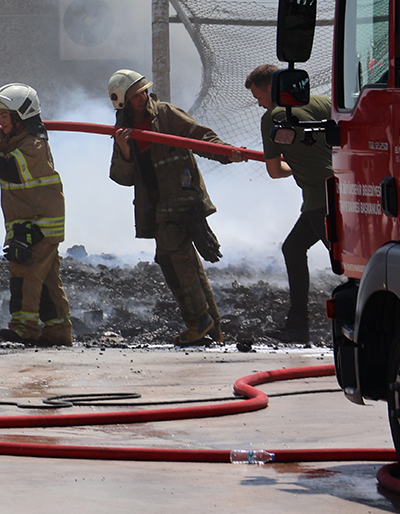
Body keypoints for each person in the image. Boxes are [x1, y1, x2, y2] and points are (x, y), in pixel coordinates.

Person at [108, 69, 242, 347]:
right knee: (182, 262)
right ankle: (212, 327)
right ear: (122, 102)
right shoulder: (122, 131)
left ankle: (199, 321)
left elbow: (200, 137)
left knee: (176, 261)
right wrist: (124, 150)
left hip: (183, 203)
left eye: (144, 91)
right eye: (135, 96)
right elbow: (122, 177)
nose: (143, 97)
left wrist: (227, 152)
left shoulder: (167, 114)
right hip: (157, 209)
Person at [0, 83, 73, 346]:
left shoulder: (34, 145)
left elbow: (8, 168)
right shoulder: (15, 142)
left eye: (3, 116)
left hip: (37, 226)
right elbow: (1, 162)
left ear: (20, 117)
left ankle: (23, 330)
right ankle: (58, 332)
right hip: (31, 223)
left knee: (25, 274)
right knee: (46, 281)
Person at [246, 64, 333, 344]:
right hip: (344, 190)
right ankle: (297, 326)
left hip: (321, 200)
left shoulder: (273, 116)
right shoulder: (321, 102)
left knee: (347, 264)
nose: (259, 104)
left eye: (258, 96)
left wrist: (293, 164)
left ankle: (362, 326)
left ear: (271, 88)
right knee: (293, 248)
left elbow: (274, 171)